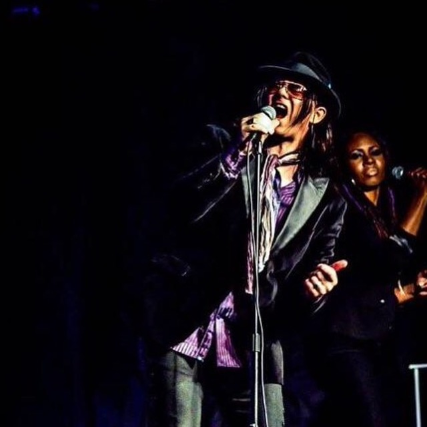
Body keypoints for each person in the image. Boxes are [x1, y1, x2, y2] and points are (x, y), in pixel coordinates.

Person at [130, 51, 349, 427]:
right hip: (185, 318)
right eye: (276, 85)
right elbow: (179, 207)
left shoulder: (327, 195)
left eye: (295, 89)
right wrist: (238, 151)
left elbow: (312, 268)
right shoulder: (221, 142)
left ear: (316, 113)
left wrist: (315, 288)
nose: (280, 92)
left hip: (252, 333)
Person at [306, 127, 427, 427]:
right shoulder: (341, 209)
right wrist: (423, 195)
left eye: (375, 152)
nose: (369, 161)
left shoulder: (390, 205)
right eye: (357, 156)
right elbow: (390, 259)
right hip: (347, 336)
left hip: (384, 335)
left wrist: (413, 287)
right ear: (344, 165)